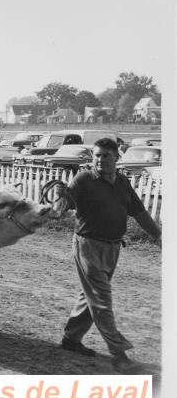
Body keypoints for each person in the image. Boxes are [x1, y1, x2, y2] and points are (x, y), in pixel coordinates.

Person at [60, 138, 161, 374]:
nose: (100, 159)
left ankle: (71, 339)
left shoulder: (123, 182)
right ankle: (119, 356)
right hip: (88, 245)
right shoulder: (84, 179)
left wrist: (158, 235)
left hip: (113, 247)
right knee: (101, 300)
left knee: (91, 297)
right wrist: (61, 197)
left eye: (106, 155)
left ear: (117, 158)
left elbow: (139, 212)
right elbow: (64, 205)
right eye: (97, 155)